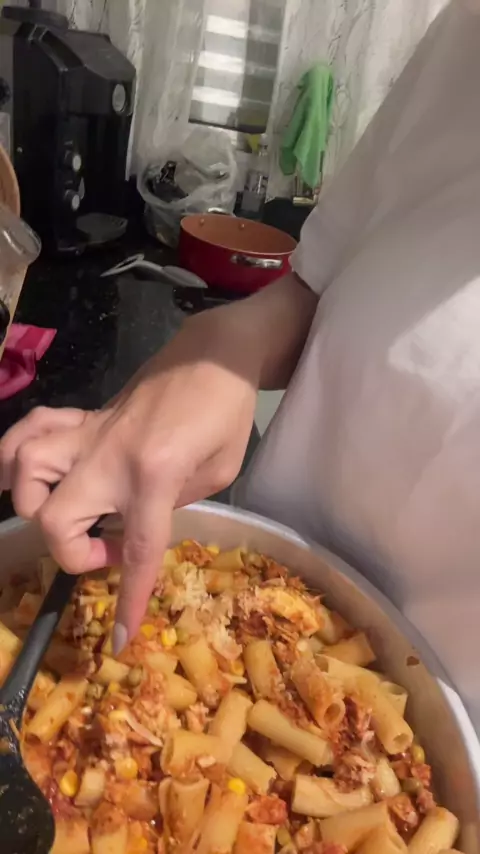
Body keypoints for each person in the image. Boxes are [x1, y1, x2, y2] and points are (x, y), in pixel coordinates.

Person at [1, 0, 480, 729]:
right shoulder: (463, 40)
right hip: (231, 589)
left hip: (429, 735)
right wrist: (222, 348)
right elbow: (320, 283)